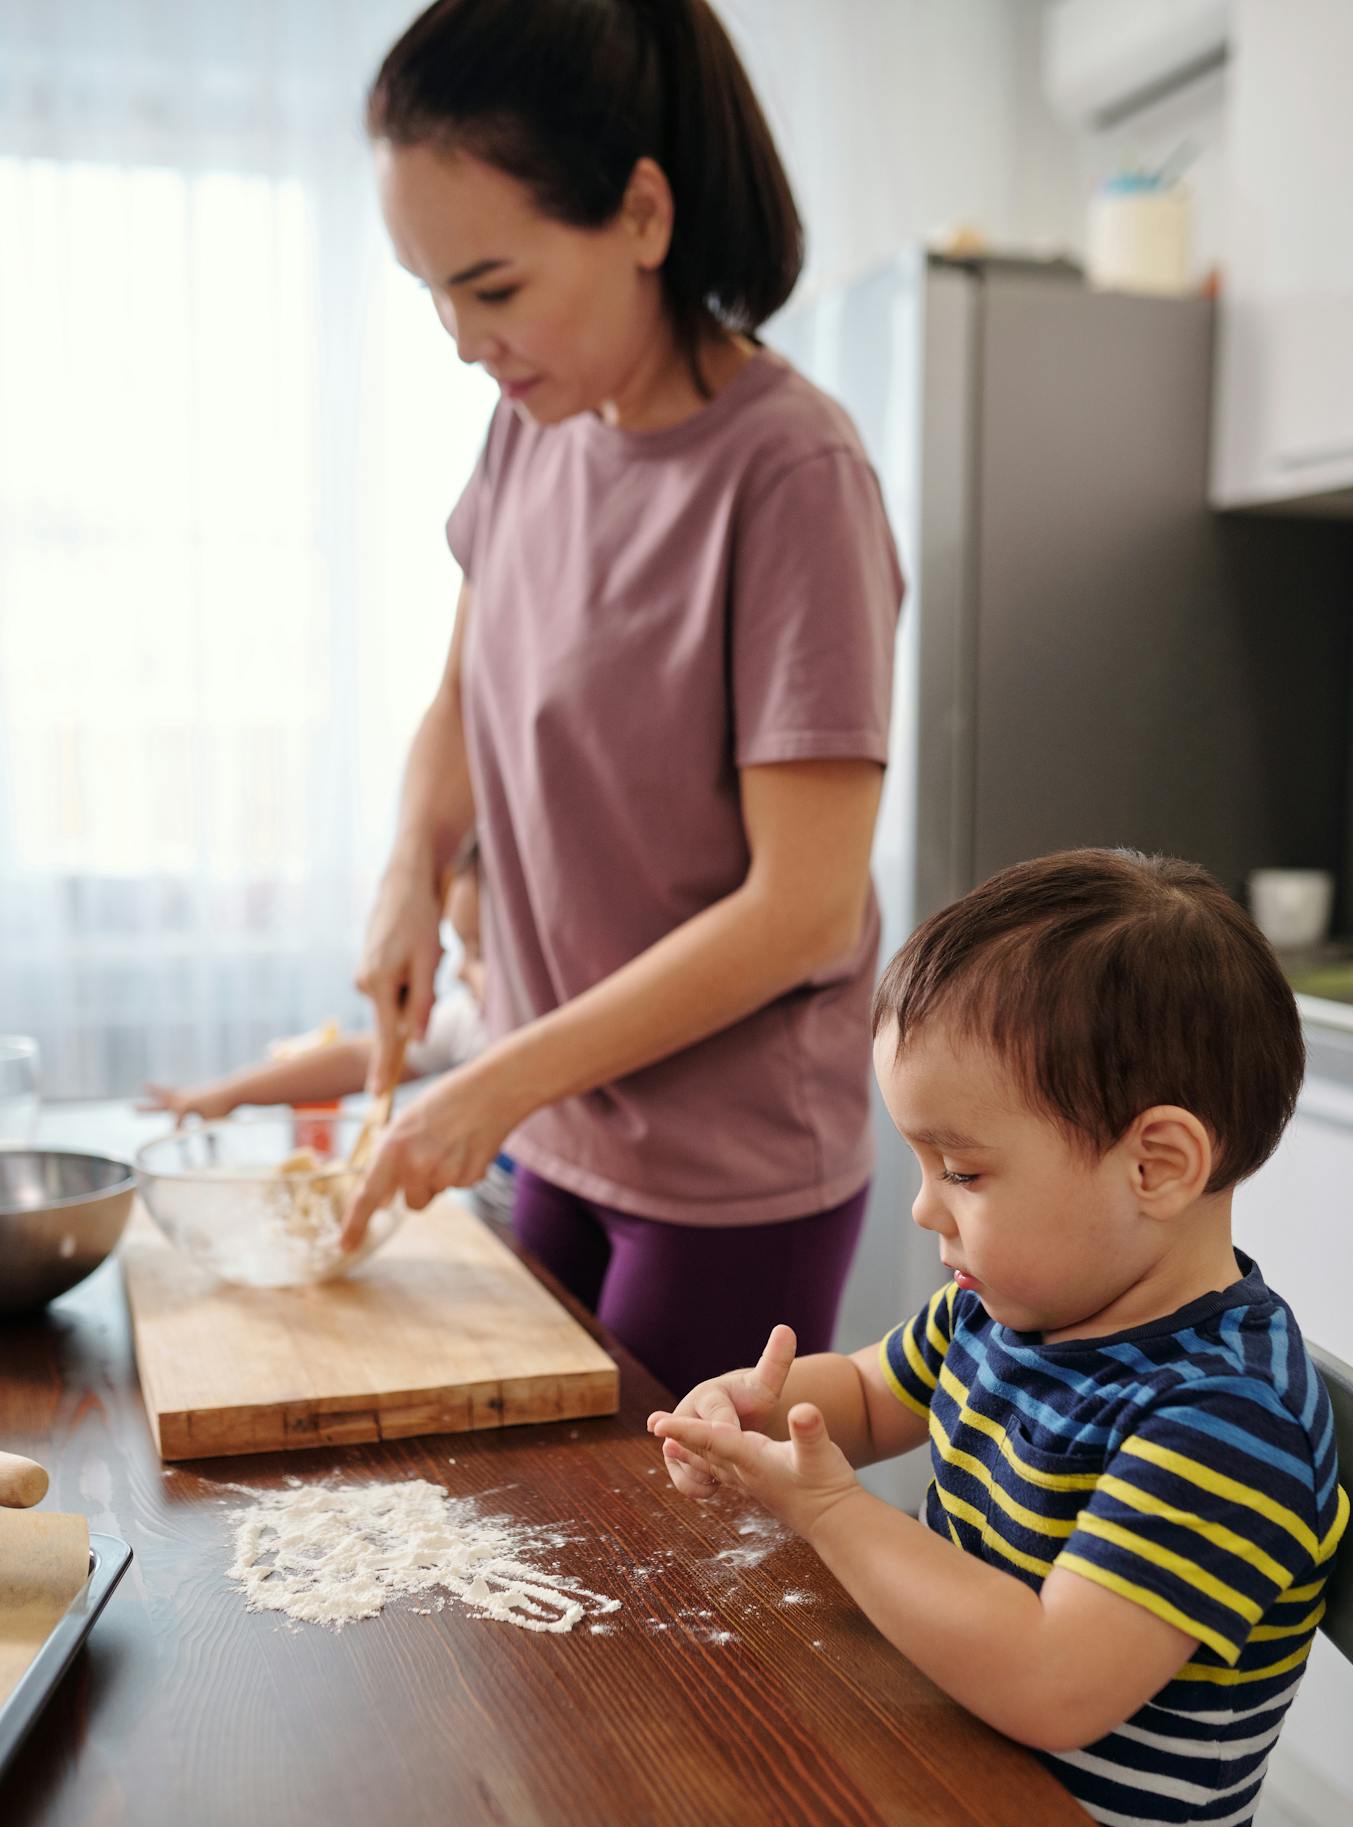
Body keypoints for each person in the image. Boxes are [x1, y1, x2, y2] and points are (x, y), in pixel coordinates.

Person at [341, 0, 905, 1396]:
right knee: (543, 1541)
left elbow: (806, 908)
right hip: (559, 1120)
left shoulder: (790, 478)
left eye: (494, 287)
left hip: (727, 1168)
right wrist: (411, 870)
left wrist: (494, 1080)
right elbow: (462, 703)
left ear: (643, 215)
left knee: (661, 1584)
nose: (465, 342)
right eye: (432, 296)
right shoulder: (529, 427)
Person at [650, 848, 1350, 1827]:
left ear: (1155, 1164)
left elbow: (1052, 1680)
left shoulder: (1226, 1415)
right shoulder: (1007, 1308)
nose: (927, 1208)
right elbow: (877, 1394)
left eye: (963, 1171)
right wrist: (754, 1410)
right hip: (941, 1794)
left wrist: (829, 1507)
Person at [141, 846, 514, 1220]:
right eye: (461, 947)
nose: (459, 972)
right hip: (496, 1224)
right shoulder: (468, 1017)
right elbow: (357, 1059)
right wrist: (227, 1095)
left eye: (479, 953)